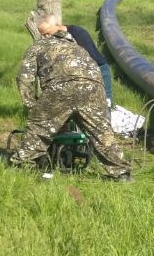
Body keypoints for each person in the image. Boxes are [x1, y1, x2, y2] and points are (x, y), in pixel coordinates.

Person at [9, 10, 131, 180]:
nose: (44, 37)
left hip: (62, 88)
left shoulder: (38, 47)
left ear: (55, 29)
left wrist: (32, 106)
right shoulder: (76, 46)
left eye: (46, 34)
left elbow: (23, 78)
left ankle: (23, 165)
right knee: (102, 133)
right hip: (93, 88)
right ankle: (122, 173)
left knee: (37, 128)